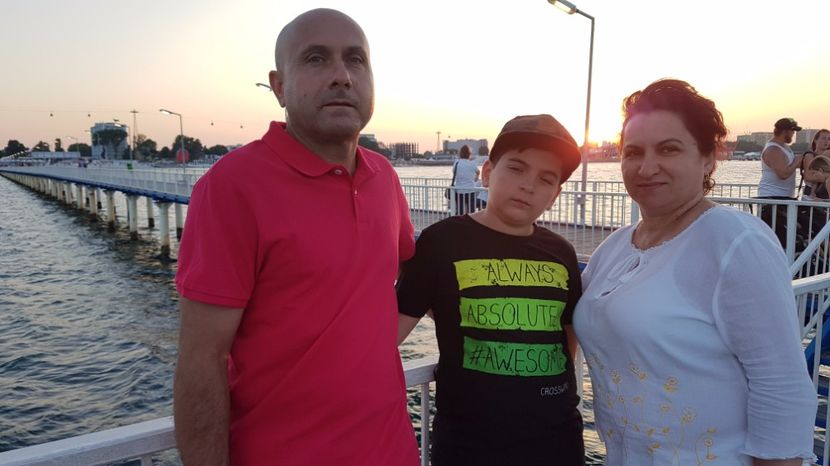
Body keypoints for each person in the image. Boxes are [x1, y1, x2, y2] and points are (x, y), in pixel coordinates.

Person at [173, 9, 419, 466]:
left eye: (356, 59)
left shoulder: (384, 178)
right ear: (279, 86)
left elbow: (415, 267)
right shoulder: (232, 187)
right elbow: (202, 359)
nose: (342, 76)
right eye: (315, 59)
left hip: (394, 451)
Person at [574, 79, 816, 466]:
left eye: (668, 149)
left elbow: (780, 384)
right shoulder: (615, 247)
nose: (646, 167)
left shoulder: (734, 241)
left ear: (708, 158)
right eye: (633, 152)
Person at [397, 114, 585, 466]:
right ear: (487, 172)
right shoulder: (441, 242)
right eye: (516, 168)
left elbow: (566, 337)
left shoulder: (561, 252)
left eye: (546, 179)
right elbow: (390, 331)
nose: (528, 185)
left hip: (556, 439)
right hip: (470, 444)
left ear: (555, 196)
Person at [757, 117, 804, 247]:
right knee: (776, 240)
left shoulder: (785, 148)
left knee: (787, 238)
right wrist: (797, 161)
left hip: (783, 198)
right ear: (784, 131)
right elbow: (783, 173)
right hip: (771, 199)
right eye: (792, 131)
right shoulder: (773, 149)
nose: (793, 134)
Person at [450, 144, 480, 215]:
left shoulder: (457, 163)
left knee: (460, 212)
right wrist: (476, 178)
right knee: (472, 212)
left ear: (460, 153)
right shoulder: (472, 163)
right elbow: (478, 172)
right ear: (469, 154)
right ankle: (470, 221)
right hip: (471, 190)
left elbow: (454, 172)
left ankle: (460, 221)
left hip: (459, 190)